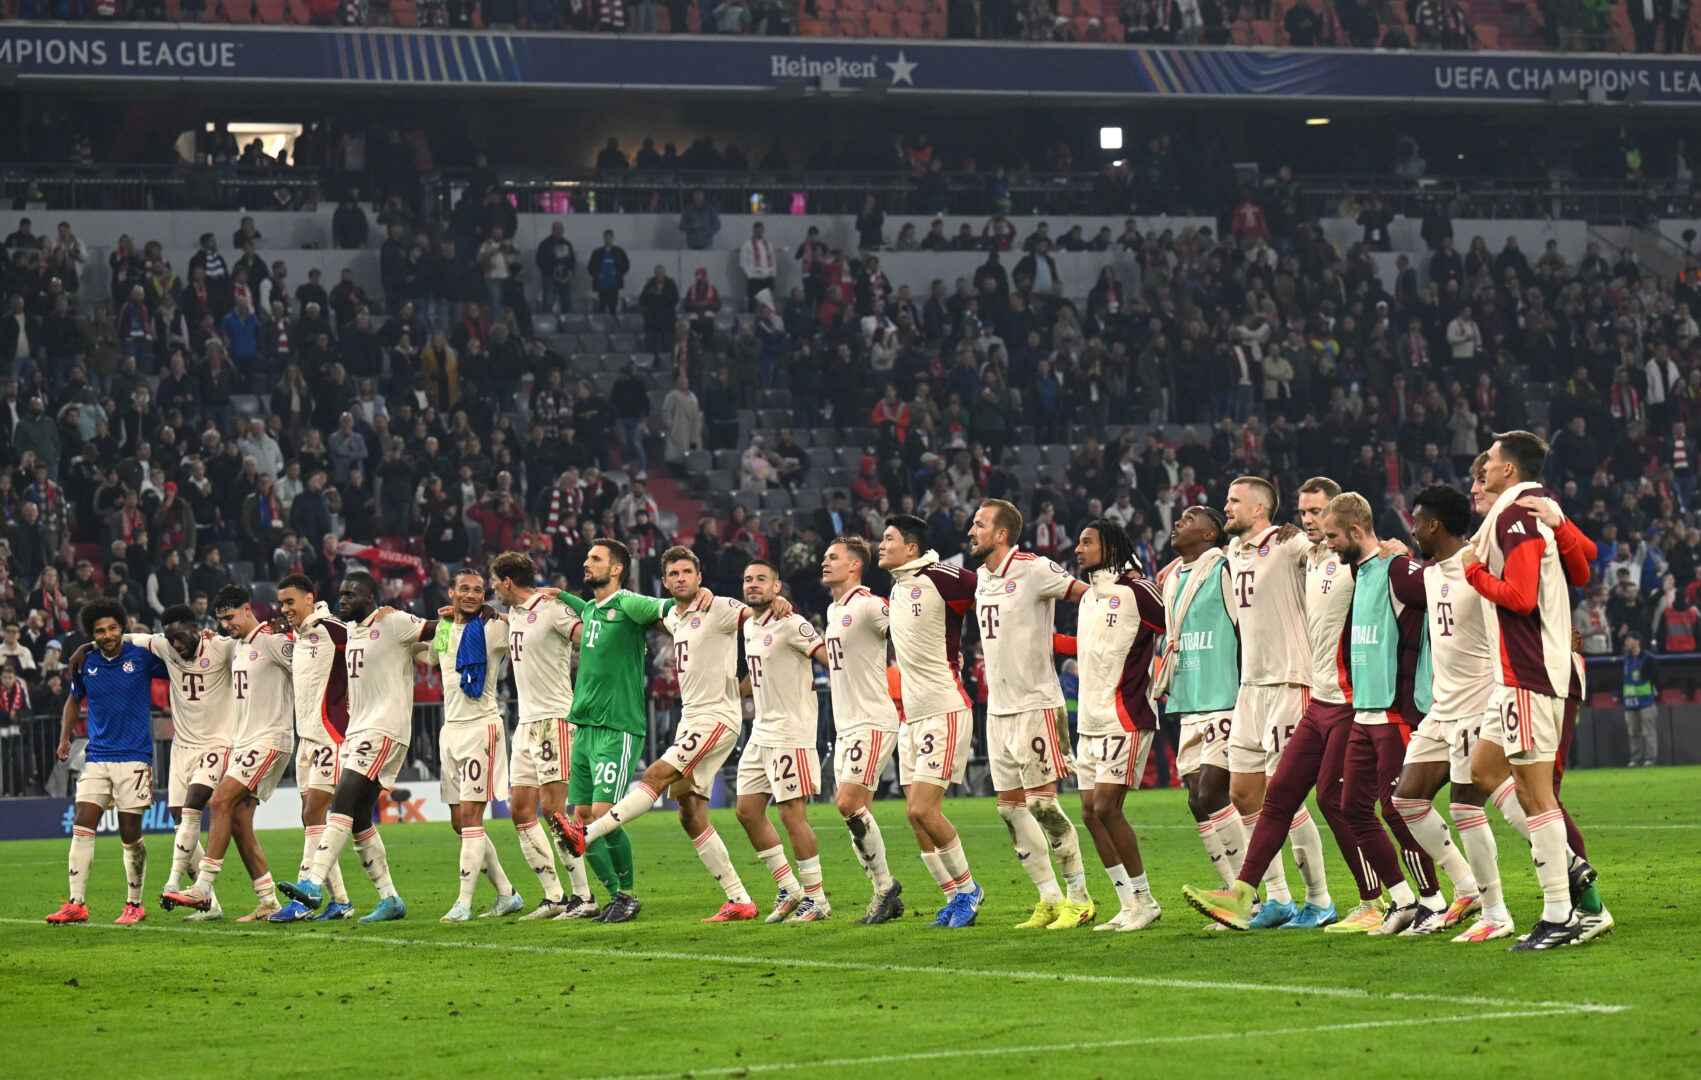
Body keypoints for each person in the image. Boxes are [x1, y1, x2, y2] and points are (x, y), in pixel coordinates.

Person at [555, 547, 758, 921]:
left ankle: (596, 848)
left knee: (649, 780)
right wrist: (554, 594)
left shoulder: (708, 605)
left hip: (704, 719)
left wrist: (772, 606)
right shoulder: (665, 616)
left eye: (688, 572)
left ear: (699, 577)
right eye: (674, 574)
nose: (681, 578)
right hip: (676, 719)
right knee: (690, 815)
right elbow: (662, 611)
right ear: (664, 581)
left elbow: (756, 616)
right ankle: (739, 899)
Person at [1462, 432, 1609, 947]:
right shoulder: (1532, 509)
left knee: (1537, 794)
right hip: (1514, 675)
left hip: (1529, 671)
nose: (1481, 472)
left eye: (1489, 462)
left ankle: (1560, 912)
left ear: (1507, 469)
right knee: (1485, 770)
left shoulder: (1514, 516)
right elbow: (1584, 564)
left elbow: (1522, 598)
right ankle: (1569, 866)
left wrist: (1474, 572)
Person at [968, 498, 1096, 929]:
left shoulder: (1035, 569)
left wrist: (1097, 645)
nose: (971, 531)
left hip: (1036, 705)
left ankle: (1080, 898)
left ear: (1001, 534)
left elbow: (1088, 598)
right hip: (998, 711)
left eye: (980, 524)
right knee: (1010, 809)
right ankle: (1049, 898)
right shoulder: (982, 578)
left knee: (1042, 805)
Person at [277, 570, 431, 923]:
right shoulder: (349, 630)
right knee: (358, 817)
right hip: (350, 732)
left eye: (350, 595)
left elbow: (430, 630)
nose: (342, 599)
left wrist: (462, 613)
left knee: (339, 802)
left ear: (370, 598)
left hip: (377, 730)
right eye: (341, 593)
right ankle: (387, 898)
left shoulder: (384, 622)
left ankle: (313, 884)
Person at [1382, 484, 1498, 936]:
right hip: (1441, 708)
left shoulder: (1478, 567)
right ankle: (1466, 887)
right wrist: (1391, 553)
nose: (1411, 530)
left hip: (1477, 705)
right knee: (1406, 798)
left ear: (1434, 524)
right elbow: (1404, 576)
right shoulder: (1431, 574)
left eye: (1415, 522)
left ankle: (1496, 912)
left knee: (1468, 808)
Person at [546, 538, 677, 923]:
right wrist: (557, 594)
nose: (586, 563)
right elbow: (581, 606)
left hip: (617, 726)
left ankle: (628, 894)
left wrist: (694, 597)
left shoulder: (629, 603)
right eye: (587, 558)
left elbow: (667, 608)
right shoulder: (591, 608)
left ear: (616, 568)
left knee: (604, 814)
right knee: (581, 819)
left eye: (595, 558)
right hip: (584, 726)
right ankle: (609, 897)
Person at [1219, 476, 1322, 926]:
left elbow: (1331, 548)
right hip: (1250, 686)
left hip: (1290, 681)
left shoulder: (1288, 543)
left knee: (1286, 796)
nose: (1226, 507)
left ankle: (1319, 898)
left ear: (1259, 509)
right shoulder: (1232, 551)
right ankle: (1279, 898)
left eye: (1234, 501)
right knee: (1243, 793)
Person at [1052, 518, 1164, 932]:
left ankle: (1146, 900)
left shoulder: (1138, 590)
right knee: (1089, 812)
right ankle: (1127, 903)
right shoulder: (1088, 599)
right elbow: (1085, 648)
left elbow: (1176, 625)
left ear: (1111, 548)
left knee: (1105, 807)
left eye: (1087, 542)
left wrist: (1171, 675)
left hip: (1125, 716)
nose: (1078, 549)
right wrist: (1041, 641)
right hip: (1090, 720)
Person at [160, 585, 295, 923]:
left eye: (230, 617)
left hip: (269, 739)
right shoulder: (236, 646)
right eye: (220, 620)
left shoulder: (272, 641)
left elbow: (310, 669)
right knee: (238, 822)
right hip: (244, 742)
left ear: (248, 609)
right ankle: (268, 900)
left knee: (219, 800)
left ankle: (203, 887)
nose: (225, 625)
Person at [879, 512, 985, 928]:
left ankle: (970, 890)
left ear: (911, 548)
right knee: (914, 814)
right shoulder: (898, 587)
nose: (881, 545)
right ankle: (954, 897)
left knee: (924, 809)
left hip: (944, 708)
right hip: (913, 716)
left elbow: (991, 592)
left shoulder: (941, 576)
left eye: (889, 538)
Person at [45, 598, 169, 925]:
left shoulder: (141, 657)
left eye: (113, 628)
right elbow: (73, 700)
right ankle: (76, 903)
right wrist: (64, 738)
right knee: (82, 825)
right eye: (99, 631)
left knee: (130, 834)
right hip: (97, 757)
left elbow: (177, 662)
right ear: (92, 634)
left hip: (134, 758)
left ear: (122, 627)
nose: (107, 635)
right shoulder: (85, 663)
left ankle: (134, 904)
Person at [489, 552, 597, 921]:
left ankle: (583, 896)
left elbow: (590, 636)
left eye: (494, 581)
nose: (492, 588)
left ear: (507, 581)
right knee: (520, 809)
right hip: (526, 724)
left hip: (555, 720)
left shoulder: (551, 609)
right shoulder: (514, 613)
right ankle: (554, 896)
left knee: (553, 810)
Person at [1154, 506, 1246, 901]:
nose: (1179, 523)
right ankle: (1231, 889)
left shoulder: (1225, 570)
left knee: (1211, 792)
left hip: (1224, 697)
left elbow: (1245, 626)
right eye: (1179, 519)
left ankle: (1249, 892)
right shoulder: (1175, 578)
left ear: (1211, 534)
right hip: (1188, 698)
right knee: (1196, 800)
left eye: (1190, 519)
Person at [125, 605, 237, 922]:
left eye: (181, 637)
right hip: (181, 748)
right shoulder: (163, 645)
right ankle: (210, 904)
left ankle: (172, 882)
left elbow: (249, 645)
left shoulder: (221, 647)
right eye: (171, 639)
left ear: (196, 627)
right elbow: (126, 638)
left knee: (193, 803)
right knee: (179, 818)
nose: (176, 645)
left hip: (217, 743)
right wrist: (85, 647)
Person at [736, 559, 832, 922]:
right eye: (748, 579)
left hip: (792, 733)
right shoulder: (749, 625)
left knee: (792, 814)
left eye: (762, 579)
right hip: (761, 732)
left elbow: (828, 658)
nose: (753, 584)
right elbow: (756, 673)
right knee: (747, 811)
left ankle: (817, 898)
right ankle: (790, 888)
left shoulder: (792, 623)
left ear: (777, 587)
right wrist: (731, 694)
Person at [820, 534, 905, 924]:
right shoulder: (833, 610)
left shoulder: (870, 605)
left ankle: (886, 887)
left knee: (847, 803)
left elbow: (906, 632)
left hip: (872, 721)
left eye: (833, 557)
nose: (825, 562)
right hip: (846, 726)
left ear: (855, 565)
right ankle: (884, 895)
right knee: (856, 814)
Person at [432, 568, 522, 923]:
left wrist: (498, 614)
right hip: (450, 731)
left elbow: (525, 627)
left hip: (480, 728)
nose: (471, 595)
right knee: (459, 822)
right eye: (465, 589)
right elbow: (430, 656)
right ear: (451, 593)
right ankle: (507, 894)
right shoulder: (442, 629)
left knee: (471, 818)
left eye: (479, 590)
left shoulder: (492, 628)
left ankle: (463, 903)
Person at [266, 574, 356, 923]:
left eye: (290, 602)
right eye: (281, 603)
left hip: (331, 735)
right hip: (306, 738)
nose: (285, 609)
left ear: (309, 598)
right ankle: (341, 902)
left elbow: (367, 640)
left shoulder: (333, 629)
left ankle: (303, 899)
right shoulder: (299, 636)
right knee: (312, 817)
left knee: (314, 811)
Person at [1621, 631, 1660, 768]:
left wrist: (1655, 695)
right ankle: (1636, 759)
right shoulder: (1626, 659)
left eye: (1629, 639)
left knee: (1648, 732)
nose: (1626, 642)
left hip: (1646, 701)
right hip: (1630, 702)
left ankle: (1650, 759)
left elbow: (1656, 679)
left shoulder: (1648, 658)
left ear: (1637, 642)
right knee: (1633, 732)